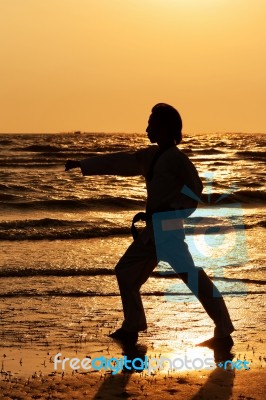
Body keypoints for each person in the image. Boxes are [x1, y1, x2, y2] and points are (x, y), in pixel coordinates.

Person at [65, 103, 234, 349]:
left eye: (151, 124)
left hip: (168, 230)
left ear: (164, 128)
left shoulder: (177, 159)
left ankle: (223, 331)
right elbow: (120, 162)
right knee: (126, 271)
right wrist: (84, 164)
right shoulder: (151, 156)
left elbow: (195, 190)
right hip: (154, 232)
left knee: (191, 277)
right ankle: (132, 326)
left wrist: (176, 211)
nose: (146, 129)